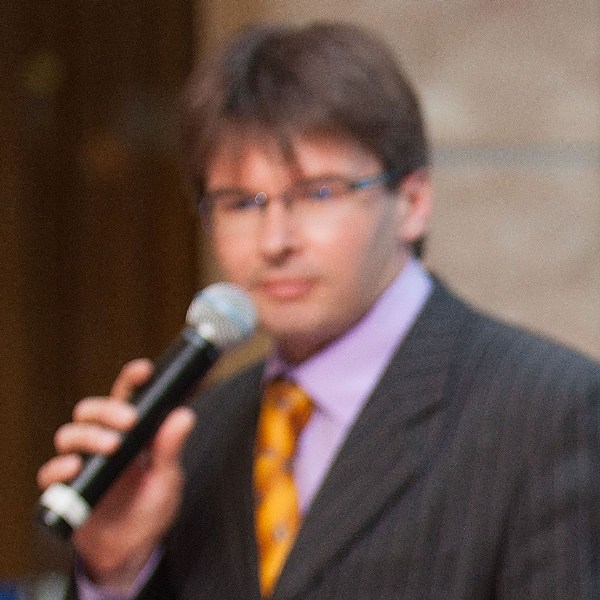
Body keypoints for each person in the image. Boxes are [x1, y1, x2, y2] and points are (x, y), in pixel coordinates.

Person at [37, 21, 600, 599]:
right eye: (240, 203)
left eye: (319, 193)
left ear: (412, 203)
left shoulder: (551, 410)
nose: (275, 241)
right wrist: (116, 572)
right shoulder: (194, 440)